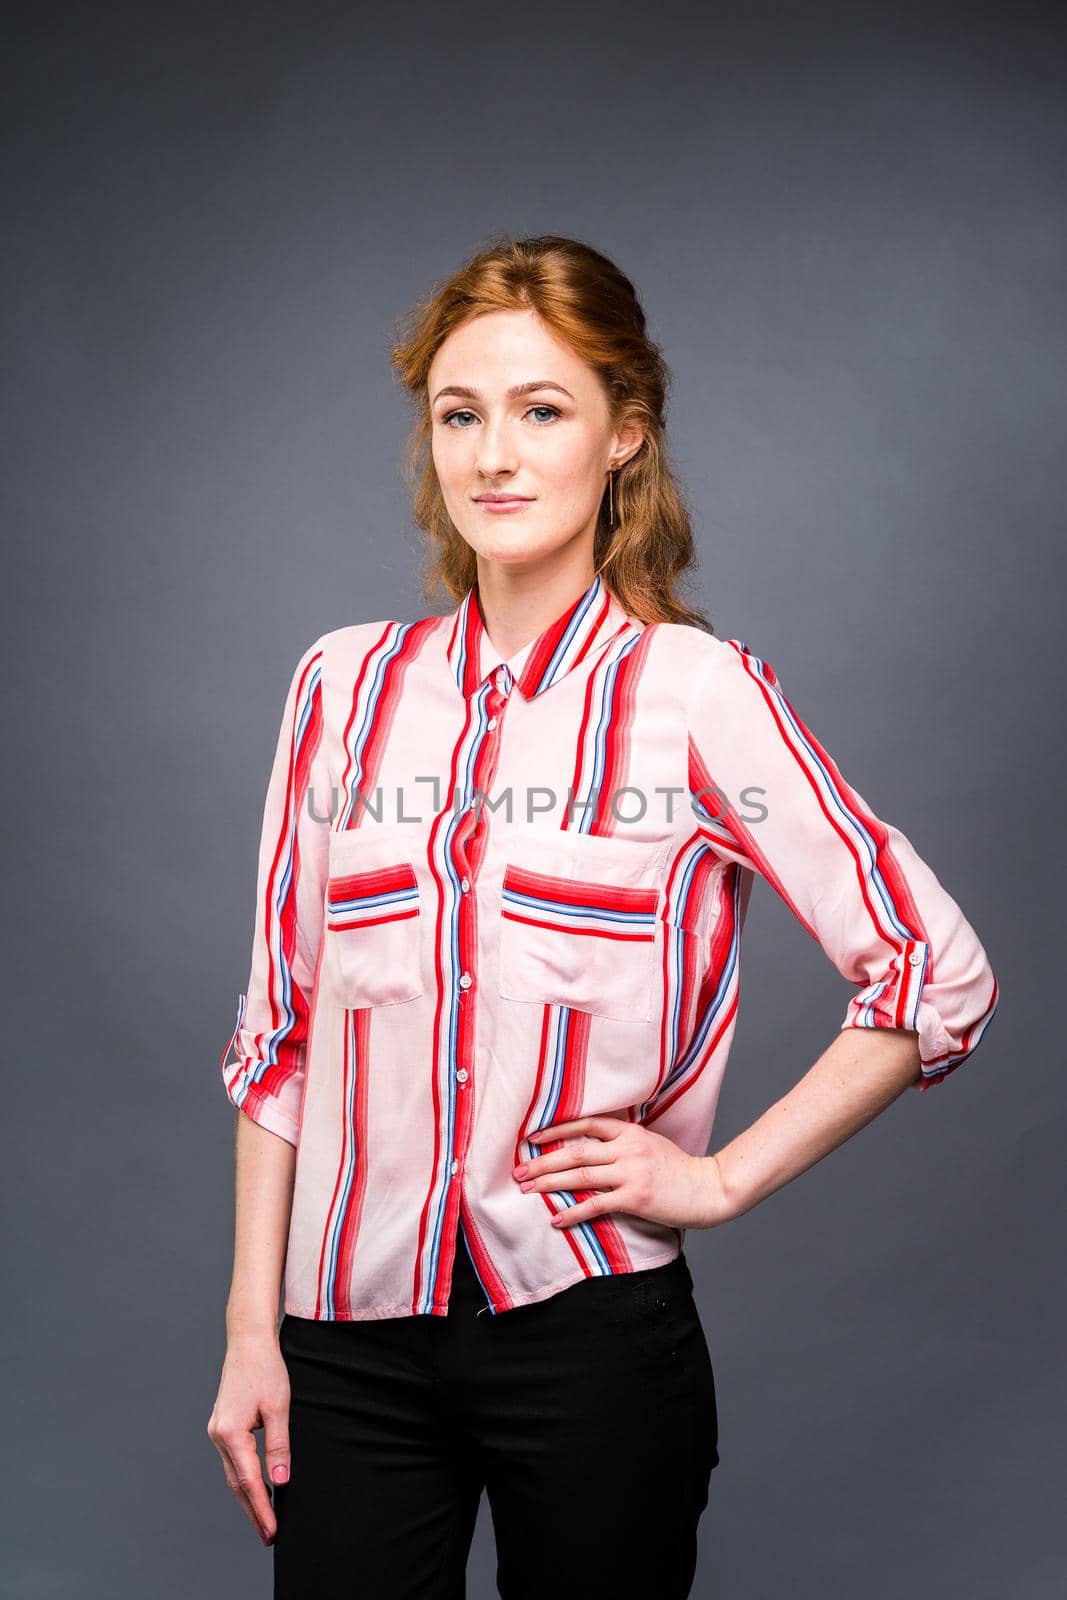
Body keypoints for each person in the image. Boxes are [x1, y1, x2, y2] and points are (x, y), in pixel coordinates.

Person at [207, 234, 999, 1599]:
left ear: (623, 435)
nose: (493, 456)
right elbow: (279, 1042)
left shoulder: (699, 696)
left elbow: (933, 972)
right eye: (460, 415)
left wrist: (719, 1180)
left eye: (542, 410)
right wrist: (248, 1333)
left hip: (590, 1343)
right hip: (342, 1342)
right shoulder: (338, 688)